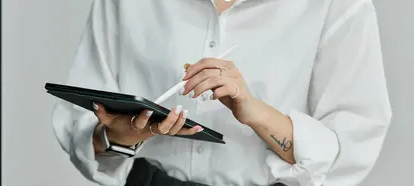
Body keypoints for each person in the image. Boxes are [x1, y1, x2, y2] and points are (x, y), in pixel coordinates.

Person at [51, 0, 392, 185]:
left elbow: (348, 152)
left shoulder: (337, 6)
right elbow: (83, 131)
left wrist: (256, 112)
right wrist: (122, 135)